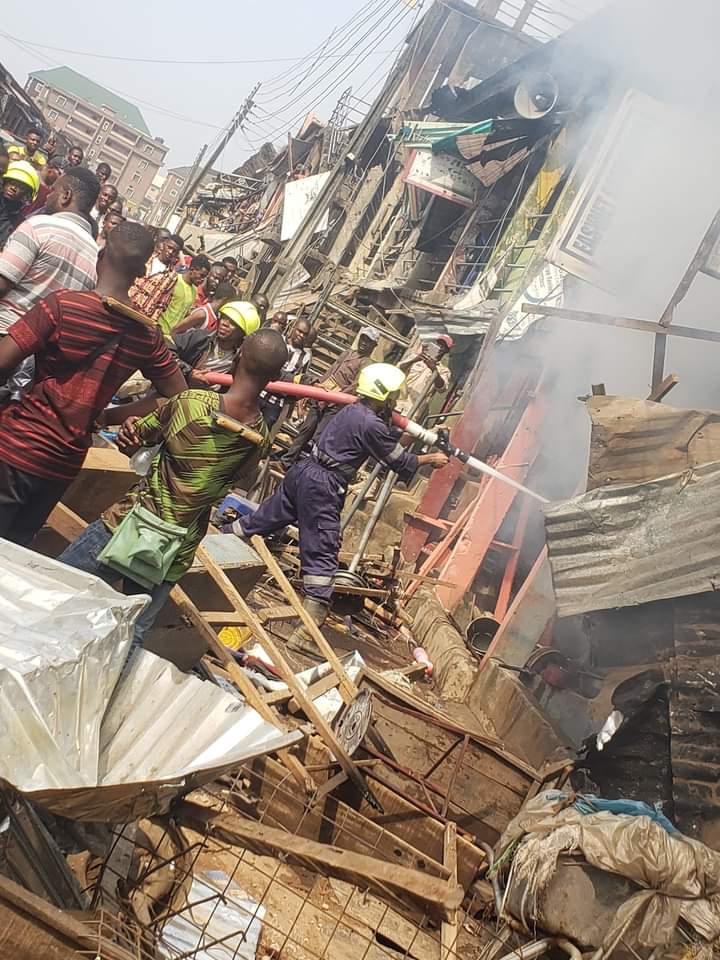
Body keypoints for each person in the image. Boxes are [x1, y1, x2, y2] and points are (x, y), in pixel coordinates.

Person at [58, 328, 287, 648]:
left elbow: (138, 435)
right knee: (130, 634)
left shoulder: (191, 403)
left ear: (237, 357)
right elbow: (230, 480)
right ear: (274, 377)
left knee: (57, 588)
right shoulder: (259, 439)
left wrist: (129, 428)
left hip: (130, 524)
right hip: (175, 547)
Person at [232, 363, 449, 649]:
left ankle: (224, 540)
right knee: (323, 549)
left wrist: (428, 434)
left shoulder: (354, 411)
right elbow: (398, 460)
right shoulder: (370, 423)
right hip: (324, 485)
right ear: (383, 395)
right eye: (394, 396)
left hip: (305, 472)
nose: (396, 402)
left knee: (266, 518)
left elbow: (385, 440)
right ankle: (306, 632)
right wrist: (431, 458)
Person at [0, 221, 185, 546]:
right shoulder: (146, 334)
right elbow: (179, 396)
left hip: (16, 447)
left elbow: (3, 361)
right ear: (142, 272)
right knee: (13, 551)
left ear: (100, 257)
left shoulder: (62, 305)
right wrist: (109, 416)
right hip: (63, 464)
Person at [0, 166, 99, 335]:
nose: (47, 196)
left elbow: (2, 284)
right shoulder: (95, 256)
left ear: (66, 195)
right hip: (42, 346)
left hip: (5, 330)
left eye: (53, 191)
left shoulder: (39, 227)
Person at [280, 325, 379, 468]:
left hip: (336, 403)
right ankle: (287, 461)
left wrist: (335, 397)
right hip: (324, 394)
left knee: (319, 438)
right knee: (305, 431)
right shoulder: (347, 353)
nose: (363, 343)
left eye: (368, 341)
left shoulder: (366, 363)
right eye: (363, 339)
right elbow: (331, 371)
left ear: (374, 346)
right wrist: (316, 388)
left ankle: (304, 467)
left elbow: (355, 386)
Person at [170, 299, 261, 385]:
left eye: (233, 323)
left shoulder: (241, 358)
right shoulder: (199, 337)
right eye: (224, 318)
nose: (225, 323)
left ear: (243, 333)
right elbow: (167, 347)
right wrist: (188, 372)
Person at [259, 316, 313, 427]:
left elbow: (299, 382)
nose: (301, 335)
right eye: (299, 331)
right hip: (258, 392)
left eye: (305, 334)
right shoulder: (277, 340)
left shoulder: (305, 357)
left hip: (276, 403)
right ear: (293, 327)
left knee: (261, 433)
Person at [396, 335, 453, 417]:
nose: (439, 347)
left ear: (446, 351)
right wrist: (415, 359)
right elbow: (398, 369)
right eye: (438, 344)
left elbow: (442, 388)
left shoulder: (443, 371)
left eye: (443, 346)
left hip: (412, 411)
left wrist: (434, 369)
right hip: (396, 402)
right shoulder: (415, 357)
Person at [0, 161, 40, 249]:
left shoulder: (21, 225)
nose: (13, 188)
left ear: (27, 195)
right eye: (11, 182)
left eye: (20, 187)